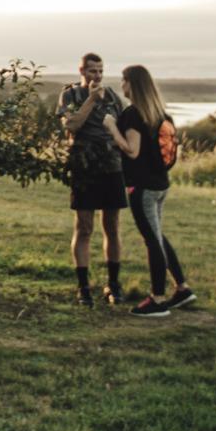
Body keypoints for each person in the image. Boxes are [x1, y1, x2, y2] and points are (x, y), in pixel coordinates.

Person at [113, 62, 195, 316]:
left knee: (152, 241)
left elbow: (131, 150)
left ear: (132, 85)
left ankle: (157, 299)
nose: (122, 85)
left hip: (143, 187)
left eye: (124, 80)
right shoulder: (160, 114)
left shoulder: (133, 115)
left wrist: (110, 127)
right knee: (157, 236)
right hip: (160, 184)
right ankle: (182, 288)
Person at [58, 52, 126, 307]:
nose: (97, 76)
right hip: (84, 165)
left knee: (112, 226)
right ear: (82, 71)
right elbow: (71, 126)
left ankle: (113, 284)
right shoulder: (70, 95)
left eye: (100, 71)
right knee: (84, 226)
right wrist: (91, 99)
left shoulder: (113, 97)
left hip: (111, 165)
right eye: (92, 71)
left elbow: (124, 127)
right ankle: (83, 286)